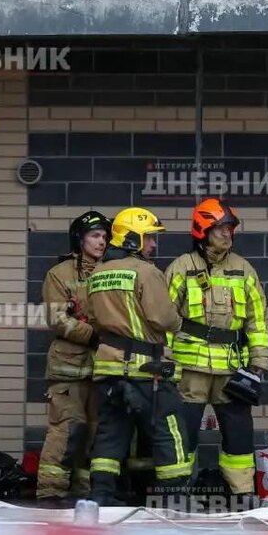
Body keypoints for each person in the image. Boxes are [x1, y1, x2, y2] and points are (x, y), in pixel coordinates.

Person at [165, 198, 268, 508]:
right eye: (220, 228)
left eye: (230, 228)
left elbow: (257, 320)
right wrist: (164, 359)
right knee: (184, 433)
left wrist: (259, 360)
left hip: (232, 370)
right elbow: (165, 318)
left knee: (238, 434)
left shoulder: (243, 269)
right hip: (189, 367)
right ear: (203, 230)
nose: (227, 234)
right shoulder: (182, 267)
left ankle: (242, 494)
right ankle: (177, 491)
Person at [86, 207, 191, 507]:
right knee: (169, 431)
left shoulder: (98, 273)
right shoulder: (146, 272)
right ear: (132, 239)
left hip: (108, 371)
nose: (153, 244)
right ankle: (175, 500)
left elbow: (92, 318)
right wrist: (178, 321)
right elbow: (163, 318)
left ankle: (100, 497)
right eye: (149, 238)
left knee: (110, 434)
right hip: (146, 371)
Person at [36, 210, 110, 504]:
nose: (101, 242)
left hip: (103, 367)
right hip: (68, 368)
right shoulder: (59, 274)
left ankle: (85, 493)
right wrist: (93, 335)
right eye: (95, 235)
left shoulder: (112, 271)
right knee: (66, 430)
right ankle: (50, 492)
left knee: (95, 433)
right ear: (80, 239)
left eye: (105, 236)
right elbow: (57, 319)